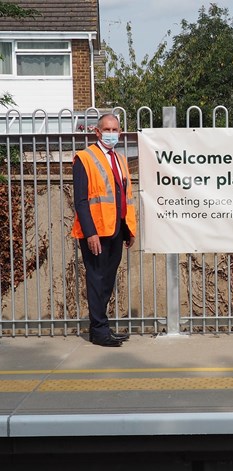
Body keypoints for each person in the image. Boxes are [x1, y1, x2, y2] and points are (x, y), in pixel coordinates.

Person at [71, 113, 136, 347]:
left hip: (116, 228)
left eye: (115, 130)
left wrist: (128, 230)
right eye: (107, 129)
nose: (111, 134)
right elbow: (80, 200)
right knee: (97, 280)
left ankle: (101, 327)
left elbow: (123, 195)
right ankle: (99, 331)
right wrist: (90, 233)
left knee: (107, 280)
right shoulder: (84, 158)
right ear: (97, 132)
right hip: (96, 232)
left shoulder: (120, 158)